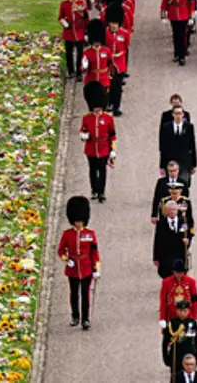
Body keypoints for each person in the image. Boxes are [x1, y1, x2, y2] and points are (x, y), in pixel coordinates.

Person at [56, 195, 101, 330]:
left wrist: (96, 268)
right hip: (73, 268)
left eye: (80, 221)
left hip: (86, 267)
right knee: (74, 294)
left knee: (85, 295)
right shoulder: (67, 234)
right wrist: (66, 260)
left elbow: (94, 252)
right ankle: (75, 316)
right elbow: (61, 250)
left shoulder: (90, 234)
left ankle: (85, 319)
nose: (78, 223)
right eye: (76, 221)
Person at [81, 101, 117, 203]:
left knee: (102, 170)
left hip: (103, 147)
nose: (97, 110)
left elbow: (112, 135)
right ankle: (94, 190)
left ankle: (101, 192)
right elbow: (83, 130)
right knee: (92, 170)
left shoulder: (108, 118)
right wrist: (84, 136)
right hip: (91, 148)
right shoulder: (87, 118)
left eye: (99, 108)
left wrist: (113, 150)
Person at [162, 0, 197, 65]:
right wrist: (163, 15)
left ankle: (182, 56)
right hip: (173, 14)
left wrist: (192, 16)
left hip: (184, 13)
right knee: (175, 35)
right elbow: (165, 1)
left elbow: (191, 2)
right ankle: (176, 54)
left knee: (183, 36)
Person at [59, 0, 89, 79]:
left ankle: (79, 72)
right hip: (68, 33)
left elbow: (86, 17)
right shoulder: (64, 4)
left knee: (80, 54)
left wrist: (80, 12)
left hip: (79, 32)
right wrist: (64, 23)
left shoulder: (82, 3)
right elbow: (60, 17)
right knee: (69, 54)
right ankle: (71, 71)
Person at [162, 300, 197, 375]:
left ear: (188, 311)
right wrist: (166, 358)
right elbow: (165, 343)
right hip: (175, 357)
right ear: (176, 310)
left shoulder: (192, 323)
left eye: (185, 311)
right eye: (180, 311)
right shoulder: (172, 323)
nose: (182, 313)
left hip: (189, 356)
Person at [154, 199, 194, 278]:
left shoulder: (183, 222)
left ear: (177, 210)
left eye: (174, 209)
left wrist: (187, 241)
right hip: (166, 255)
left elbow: (187, 234)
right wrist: (156, 257)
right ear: (166, 211)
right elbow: (157, 240)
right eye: (170, 210)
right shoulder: (161, 224)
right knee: (168, 277)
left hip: (180, 254)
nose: (172, 211)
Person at [82, 19, 113, 113]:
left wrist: (110, 75)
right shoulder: (87, 53)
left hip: (103, 79)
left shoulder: (106, 51)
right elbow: (83, 68)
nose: (97, 43)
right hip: (92, 78)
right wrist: (84, 66)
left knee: (104, 100)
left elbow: (109, 63)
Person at [160, 105, 197, 175]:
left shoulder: (189, 127)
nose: (178, 116)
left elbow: (192, 145)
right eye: (176, 113)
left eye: (180, 113)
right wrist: (162, 166)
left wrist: (194, 164)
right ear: (173, 114)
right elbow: (164, 148)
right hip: (170, 162)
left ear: (183, 114)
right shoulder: (166, 127)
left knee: (183, 183)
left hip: (185, 161)